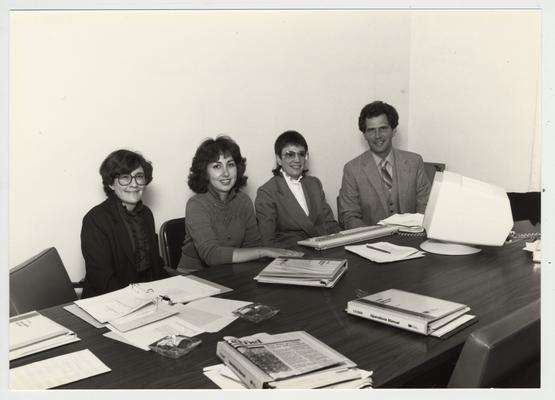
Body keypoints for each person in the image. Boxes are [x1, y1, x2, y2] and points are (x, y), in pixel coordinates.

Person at [178, 136, 303, 271]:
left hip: (231, 273)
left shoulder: (243, 201)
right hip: (195, 278)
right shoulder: (196, 204)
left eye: (230, 165)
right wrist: (264, 251)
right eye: (216, 166)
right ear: (205, 172)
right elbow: (211, 255)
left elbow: (252, 246)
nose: (225, 173)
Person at [81, 149, 167, 298]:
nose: (134, 184)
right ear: (111, 184)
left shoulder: (146, 214)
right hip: (109, 300)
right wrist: (140, 300)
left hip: (148, 297)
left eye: (139, 177)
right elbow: (102, 279)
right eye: (125, 178)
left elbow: (155, 266)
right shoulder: (95, 219)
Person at [338, 101, 431, 229]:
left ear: (394, 131)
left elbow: (425, 206)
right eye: (371, 130)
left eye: (383, 128)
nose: (377, 136)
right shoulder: (352, 169)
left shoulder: (414, 162)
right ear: (364, 135)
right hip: (371, 243)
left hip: (412, 239)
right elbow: (349, 216)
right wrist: (372, 236)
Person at [255, 130, 341, 247]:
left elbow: (330, 224)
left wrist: (343, 240)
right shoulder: (267, 192)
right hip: (293, 256)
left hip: (326, 249)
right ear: (279, 159)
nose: (297, 160)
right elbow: (268, 242)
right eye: (290, 154)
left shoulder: (314, 184)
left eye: (301, 154)